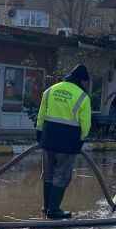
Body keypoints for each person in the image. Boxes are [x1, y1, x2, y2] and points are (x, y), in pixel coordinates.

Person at [36, 64, 92, 219]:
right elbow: (85, 124)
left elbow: (41, 115)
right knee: (61, 175)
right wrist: (81, 140)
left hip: (48, 138)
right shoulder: (82, 97)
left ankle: (46, 207)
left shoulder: (50, 90)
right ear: (82, 80)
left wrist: (39, 134)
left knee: (48, 174)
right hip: (68, 142)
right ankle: (54, 210)